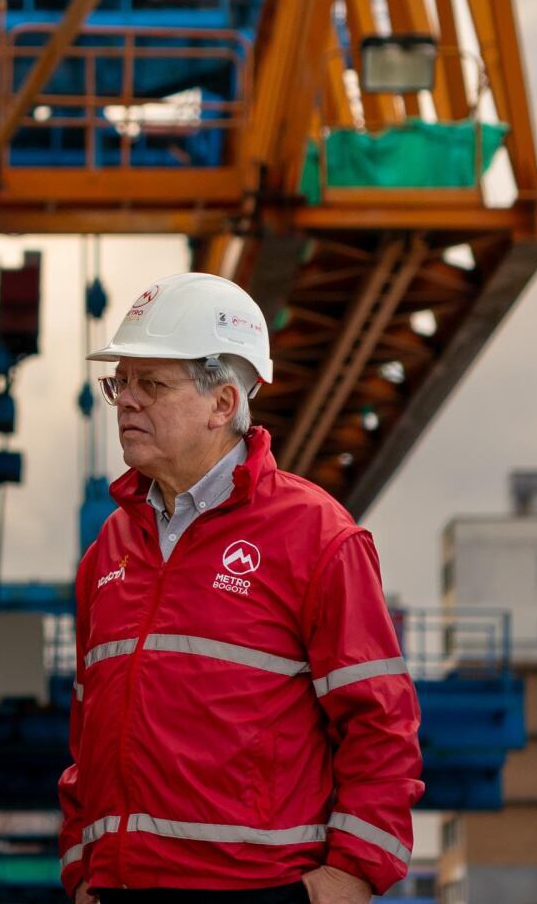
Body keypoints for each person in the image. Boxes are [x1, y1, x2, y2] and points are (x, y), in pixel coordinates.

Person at [59, 273, 421, 904]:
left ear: (223, 403)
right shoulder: (108, 552)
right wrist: (81, 869)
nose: (126, 401)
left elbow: (381, 725)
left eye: (153, 383)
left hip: (260, 890)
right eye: (121, 381)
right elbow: (87, 733)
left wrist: (349, 878)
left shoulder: (318, 537)